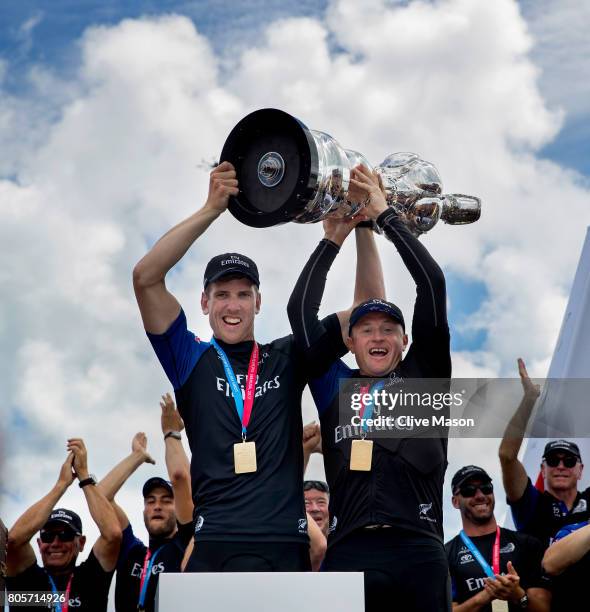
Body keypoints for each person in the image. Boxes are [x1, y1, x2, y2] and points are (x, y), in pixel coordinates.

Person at [132, 162, 383, 572]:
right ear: (204, 303)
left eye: (243, 295)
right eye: (222, 294)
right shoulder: (188, 356)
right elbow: (145, 278)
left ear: (258, 303)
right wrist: (211, 208)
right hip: (215, 539)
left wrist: (363, 229)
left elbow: (369, 314)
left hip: (285, 540)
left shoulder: (288, 354)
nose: (233, 306)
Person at [288, 165, 452, 611]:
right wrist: (333, 237)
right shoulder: (333, 383)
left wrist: (384, 216)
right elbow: (300, 313)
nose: (377, 337)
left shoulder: (425, 378)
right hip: (351, 551)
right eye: (366, 329)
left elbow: (431, 284)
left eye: (388, 329)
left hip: (419, 552)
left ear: (404, 340)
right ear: (351, 342)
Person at [97, 394, 193, 612]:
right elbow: (101, 495)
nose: (157, 506)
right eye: (150, 501)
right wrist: (136, 457)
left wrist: (172, 434)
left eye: (167, 500)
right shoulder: (131, 549)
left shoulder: (185, 542)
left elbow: (181, 479)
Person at [6, 439, 121, 612]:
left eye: (65, 535)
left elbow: (113, 535)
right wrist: (61, 485)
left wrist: (83, 476)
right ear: (39, 543)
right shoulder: (28, 582)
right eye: (47, 536)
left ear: (81, 543)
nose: (55, 543)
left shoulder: (90, 580)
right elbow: (13, 541)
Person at [498, 359, 590, 547]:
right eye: (553, 460)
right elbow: (507, 456)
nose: (561, 466)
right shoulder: (532, 505)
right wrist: (529, 398)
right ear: (543, 468)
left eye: (570, 461)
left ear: (580, 470)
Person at [446, 465, 551, 611]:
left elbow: (544, 608)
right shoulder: (445, 555)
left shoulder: (527, 544)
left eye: (486, 488)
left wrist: (518, 595)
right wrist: (484, 597)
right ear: (455, 501)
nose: (480, 495)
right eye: (468, 491)